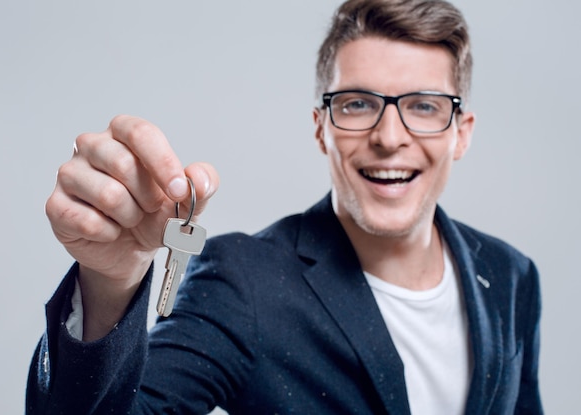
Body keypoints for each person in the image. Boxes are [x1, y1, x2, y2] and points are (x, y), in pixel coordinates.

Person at [26, 0, 543, 413]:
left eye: (424, 106)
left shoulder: (512, 275)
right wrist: (110, 285)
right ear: (322, 127)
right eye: (358, 104)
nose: (390, 137)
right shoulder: (243, 283)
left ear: (461, 133)